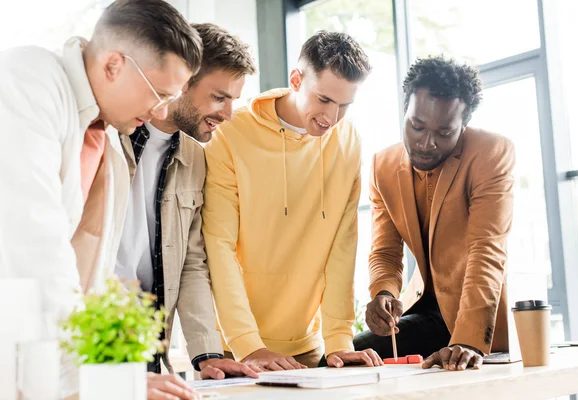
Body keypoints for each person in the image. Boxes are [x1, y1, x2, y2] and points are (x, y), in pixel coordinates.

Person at [0, 1, 204, 398]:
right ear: (114, 65)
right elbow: (34, 244)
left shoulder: (107, 135)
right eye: (159, 93)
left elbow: (89, 272)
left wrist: (106, 375)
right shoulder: (26, 81)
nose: (161, 110)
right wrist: (91, 377)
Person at [202, 30, 383, 371]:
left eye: (345, 105)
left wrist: (339, 341)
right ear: (296, 79)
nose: (331, 117)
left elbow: (341, 247)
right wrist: (247, 345)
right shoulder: (231, 134)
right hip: (234, 348)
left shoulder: (347, 140)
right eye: (324, 100)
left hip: (306, 346)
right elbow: (218, 244)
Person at [115, 22, 259, 380]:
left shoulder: (196, 156)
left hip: (148, 346)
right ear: (183, 81)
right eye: (219, 97)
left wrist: (207, 354)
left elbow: (192, 261)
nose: (227, 114)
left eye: (232, 101)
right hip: (96, 338)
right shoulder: (109, 136)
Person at [353, 56, 516, 372]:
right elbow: (385, 251)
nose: (426, 143)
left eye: (444, 132)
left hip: (476, 312)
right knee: (356, 354)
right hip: (427, 310)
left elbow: (487, 250)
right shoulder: (382, 166)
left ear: (463, 125)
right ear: (405, 112)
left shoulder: (490, 152)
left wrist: (467, 341)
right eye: (416, 126)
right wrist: (383, 292)